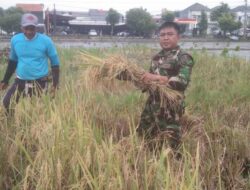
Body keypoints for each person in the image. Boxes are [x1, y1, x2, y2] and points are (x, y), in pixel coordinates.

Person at [137, 21, 195, 149]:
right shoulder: (156, 58)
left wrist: (156, 78)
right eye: (162, 35)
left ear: (178, 37)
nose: (165, 37)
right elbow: (148, 83)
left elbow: (182, 82)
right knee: (146, 140)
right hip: (152, 106)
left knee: (171, 144)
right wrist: (136, 78)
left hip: (171, 109)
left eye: (170, 34)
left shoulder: (183, 57)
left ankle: (175, 167)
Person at [0, 13, 60, 113]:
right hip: (20, 81)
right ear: (21, 27)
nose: (29, 32)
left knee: (40, 109)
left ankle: (38, 126)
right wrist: (5, 80)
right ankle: (11, 124)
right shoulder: (15, 40)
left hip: (40, 82)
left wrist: (55, 85)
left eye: (32, 29)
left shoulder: (46, 41)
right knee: (7, 102)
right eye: (26, 28)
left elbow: (55, 64)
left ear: (36, 28)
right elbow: (13, 61)